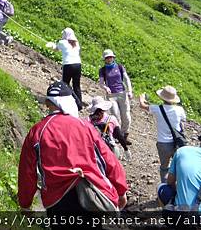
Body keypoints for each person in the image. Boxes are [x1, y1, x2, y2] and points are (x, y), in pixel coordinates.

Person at [18, 81, 128, 227]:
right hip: (90, 194)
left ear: (47, 103)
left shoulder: (38, 131)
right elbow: (108, 159)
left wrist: (25, 203)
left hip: (57, 200)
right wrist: (121, 190)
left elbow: (27, 171)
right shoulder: (84, 126)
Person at [157, 129, 201, 222]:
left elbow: (170, 182)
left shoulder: (182, 151)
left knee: (161, 187)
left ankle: (171, 219)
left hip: (184, 214)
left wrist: (180, 191)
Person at [139, 86, 187, 182]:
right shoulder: (180, 110)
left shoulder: (157, 108)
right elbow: (183, 123)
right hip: (177, 142)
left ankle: (165, 188)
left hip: (163, 143)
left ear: (162, 98)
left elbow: (142, 105)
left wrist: (142, 97)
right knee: (178, 167)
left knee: (164, 167)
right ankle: (178, 186)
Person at [98, 49, 133, 145]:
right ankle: (117, 135)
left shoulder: (120, 67)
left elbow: (126, 79)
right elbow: (101, 83)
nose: (109, 59)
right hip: (111, 95)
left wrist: (129, 91)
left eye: (110, 57)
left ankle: (124, 135)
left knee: (126, 116)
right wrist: (105, 87)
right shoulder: (103, 70)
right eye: (107, 58)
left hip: (122, 93)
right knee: (115, 115)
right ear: (104, 59)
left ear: (113, 57)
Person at [45, 28, 83, 109]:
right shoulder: (76, 43)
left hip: (68, 65)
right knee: (77, 85)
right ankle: (79, 104)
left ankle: (67, 100)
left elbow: (56, 49)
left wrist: (52, 45)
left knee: (65, 84)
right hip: (78, 65)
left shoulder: (62, 42)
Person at [86, 96, 131, 161]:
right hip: (108, 150)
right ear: (104, 109)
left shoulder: (88, 120)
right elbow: (119, 136)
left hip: (92, 151)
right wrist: (126, 149)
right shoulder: (111, 119)